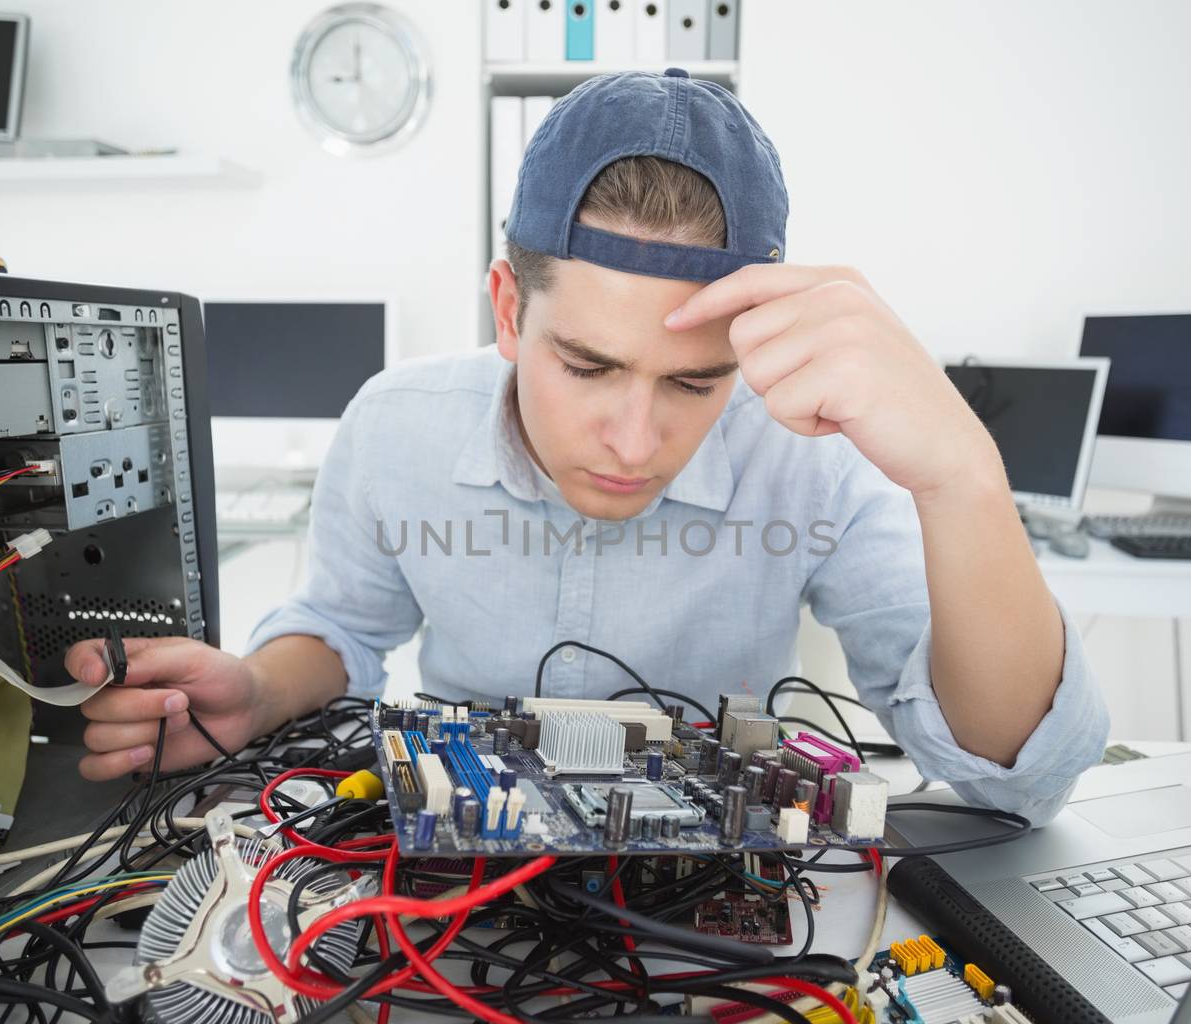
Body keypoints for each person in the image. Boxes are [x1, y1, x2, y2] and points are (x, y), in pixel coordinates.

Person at [65, 69, 1108, 824]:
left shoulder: (814, 450)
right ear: (509, 309)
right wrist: (257, 689)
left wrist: (964, 478)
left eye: (695, 382)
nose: (634, 438)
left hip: (725, 901)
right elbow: (341, 624)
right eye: (589, 365)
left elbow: (1017, 777)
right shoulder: (396, 420)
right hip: (450, 878)